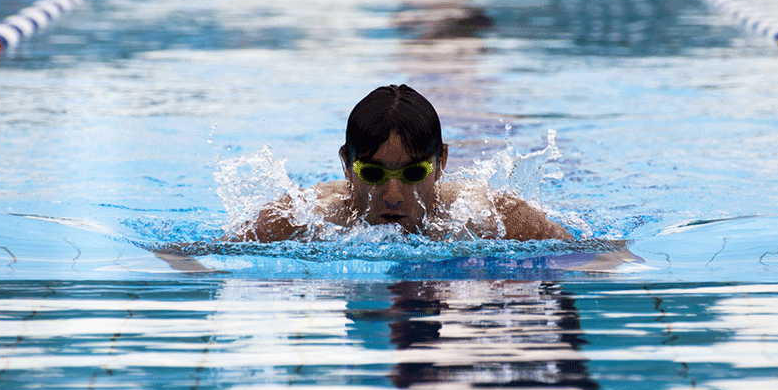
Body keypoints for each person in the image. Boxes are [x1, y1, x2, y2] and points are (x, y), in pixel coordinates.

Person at [227, 84, 573, 242]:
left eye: (413, 173)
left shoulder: (491, 216)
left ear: (441, 163)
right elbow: (196, 257)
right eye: (374, 173)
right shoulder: (305, 216)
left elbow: (597, 260)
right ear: (347, 165)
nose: (393, 194)